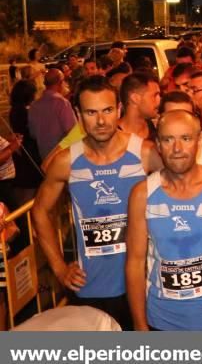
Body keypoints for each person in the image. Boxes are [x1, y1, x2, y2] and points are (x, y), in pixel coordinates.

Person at [32, 75, 163, 329]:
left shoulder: (145, 154)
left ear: (119, 110)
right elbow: (39, 212)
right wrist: (59, 268)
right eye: (91, 112)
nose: (101, 121)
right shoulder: (65, 161)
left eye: (107, 110)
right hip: (90, 288)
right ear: (78, 115)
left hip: (144, 285)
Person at [126, 110, 202, 331]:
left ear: (198, 143)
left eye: (185, 139)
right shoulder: (141, 194)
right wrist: (139, 324)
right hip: (162, 320)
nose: (177, 149)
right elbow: (135, 264)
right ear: (157, 144)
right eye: (168, 139)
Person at [28, 69, 77, 160]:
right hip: (63, 157)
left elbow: (33, 134)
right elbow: (73, 133)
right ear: (61, 82)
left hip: (44, 157)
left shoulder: (34, 105)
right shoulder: (62, 103)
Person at [118, 72, 160, 142]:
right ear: (135, 98)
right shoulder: (112, 135)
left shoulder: (158, 130)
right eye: (155, 95)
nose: (159, 100)